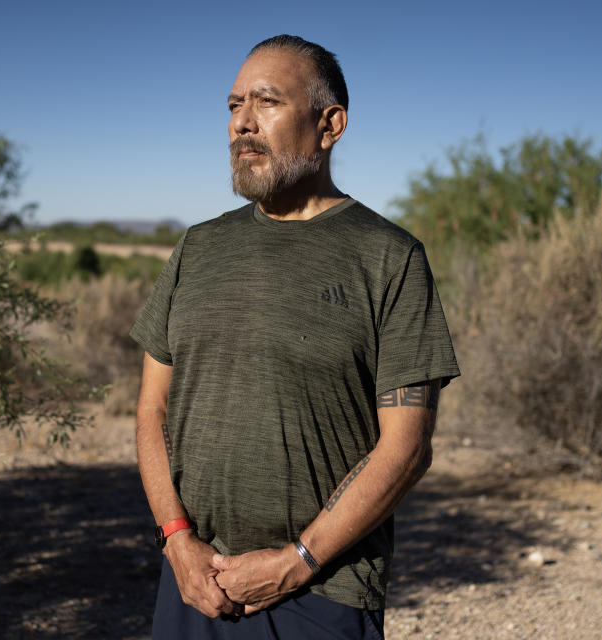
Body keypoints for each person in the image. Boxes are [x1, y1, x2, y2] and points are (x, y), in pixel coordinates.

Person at [130, 34, 460, 640]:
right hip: (195, 582)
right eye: (233, 106)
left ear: (329, 124)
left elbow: (406, 448)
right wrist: (177, 542)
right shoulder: (198, 248)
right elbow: (152, 409)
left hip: (323, 591)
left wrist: (295, 562)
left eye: (267, 102)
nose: (242, 125)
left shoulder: (388, 258)